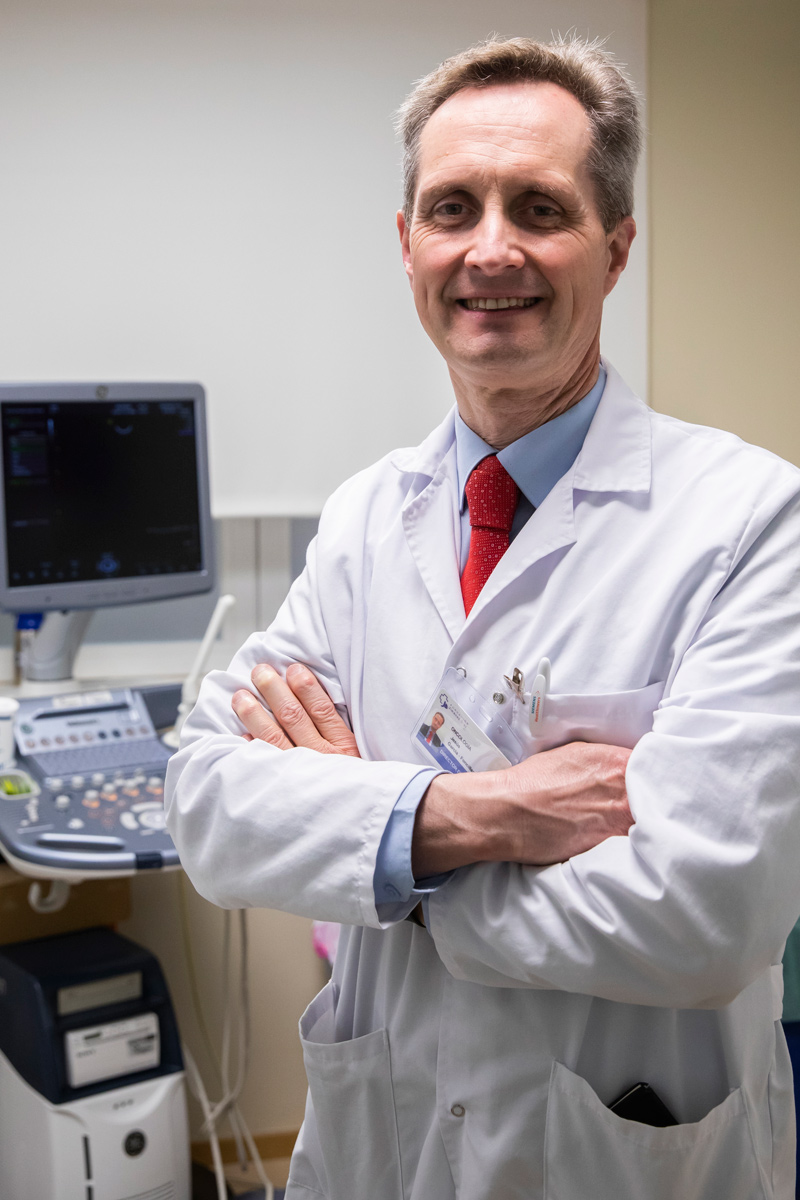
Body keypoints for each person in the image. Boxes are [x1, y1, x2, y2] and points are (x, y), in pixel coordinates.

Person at [165, 36, 800, 1200]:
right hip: (380, 1150)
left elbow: (706, 915)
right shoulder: (366, 518)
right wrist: (484, 813)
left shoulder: (749, 518)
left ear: (612, 251)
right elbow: (210, 807)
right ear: (406, 245)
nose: (489, 248)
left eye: (539, 207)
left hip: (618, 1153)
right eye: (451, 206)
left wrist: (372, 846)